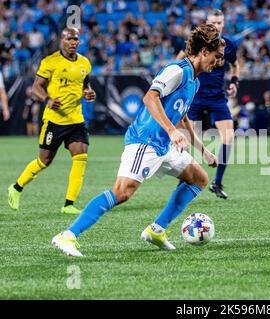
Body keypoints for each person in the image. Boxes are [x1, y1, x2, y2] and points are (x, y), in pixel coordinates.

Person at [51, 24, 223, 257]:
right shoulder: (178, 71)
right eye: (217, 56)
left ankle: (156, 230)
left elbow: (182, 116)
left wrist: (203, 151)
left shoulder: (195, 80)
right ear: (204, 51)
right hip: (145, 140)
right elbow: (149, 97)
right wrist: (172, 132)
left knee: (198, 179)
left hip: (165, 143)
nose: (218, 61)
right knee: (122, 192)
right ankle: (68, 235)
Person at [7, 28, 96, 214]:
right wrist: (47, 100)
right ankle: (16, 188)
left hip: (75, 119)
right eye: (69, 39)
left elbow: (84, 84)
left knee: (81, 156)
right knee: (44, 161)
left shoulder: (85, 63)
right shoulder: (50, 62)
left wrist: (88, 92)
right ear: (61, 41)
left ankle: (69, 204)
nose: (73, 42)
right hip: (54, 120)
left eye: (76, 39)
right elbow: (36, 87)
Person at [177, 9, 240, 199]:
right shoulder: (196, 42)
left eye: (220, 23)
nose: (217, 26)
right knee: (187, 139)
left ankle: (217, 183)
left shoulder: (229, 45)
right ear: (207, 22)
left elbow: (236, 65)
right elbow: (177, 61)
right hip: (194, 96)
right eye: (213, 22)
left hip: (216, 97)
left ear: (223, 24)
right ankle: (184, 182)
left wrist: (234, 82)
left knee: (228, 137)